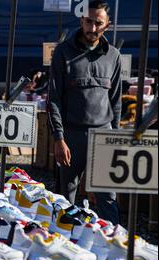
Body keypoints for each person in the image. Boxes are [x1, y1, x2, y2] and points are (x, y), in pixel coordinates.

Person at [47, 0, 121, 224]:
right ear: (82, 21)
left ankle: (113, 244)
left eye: (98, 23)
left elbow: (115, 101)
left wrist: (115, 138)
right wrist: (59, 138)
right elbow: (54, 99)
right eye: (88, 22)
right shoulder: (63, 52)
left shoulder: (113, 56)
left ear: (107, 25)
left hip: (104, 136)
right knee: (65, 197)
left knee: (107, 198)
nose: (93, 27)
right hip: (72, 136)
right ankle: (63, 247)